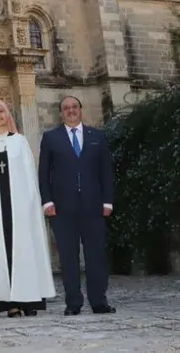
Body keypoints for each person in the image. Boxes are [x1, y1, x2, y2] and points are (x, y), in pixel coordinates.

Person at [38, 95, 116, 315]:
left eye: (74, 107)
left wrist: (108, 201)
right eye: (66, 108)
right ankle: (73, 303)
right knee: (68, 257)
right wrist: (47, 201)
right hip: (62, 209)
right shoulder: (51, 138)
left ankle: (99, 301)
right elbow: (44, 173)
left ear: (81, 110)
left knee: (96, 255)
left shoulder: (97, 137)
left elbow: (106, 172)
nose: (70, 110)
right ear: (60, 113)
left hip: (94, 206)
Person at [0, 100, 56, 317]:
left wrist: (32, 205)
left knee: (24, 251)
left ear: (8, 114)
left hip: (20, 207)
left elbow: (30, 175)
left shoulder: (20, 141)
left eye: (1, 111)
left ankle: (28, 301)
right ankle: (7, 302)